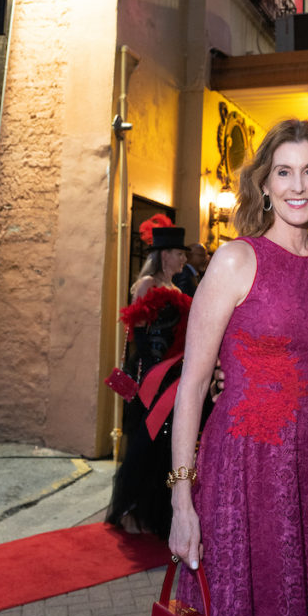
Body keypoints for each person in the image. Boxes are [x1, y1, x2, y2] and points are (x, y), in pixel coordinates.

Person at [169, 120, 308, 616]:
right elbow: (191, 387)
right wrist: (180, 502)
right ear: (265, 185)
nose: (297, 186)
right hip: (241, 466)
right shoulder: (236, 259)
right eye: (284, 172)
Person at [106, 221, 192, 538]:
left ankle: (156, 512)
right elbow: (138, 331)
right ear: (163, 254)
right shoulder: (146, 284)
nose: (183, 259)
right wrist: (154, 366)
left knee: (164, 443)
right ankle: (133, 512)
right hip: (150, 375)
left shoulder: (177, 290)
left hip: (171, 375)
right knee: (145, 441)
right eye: (178, 254)